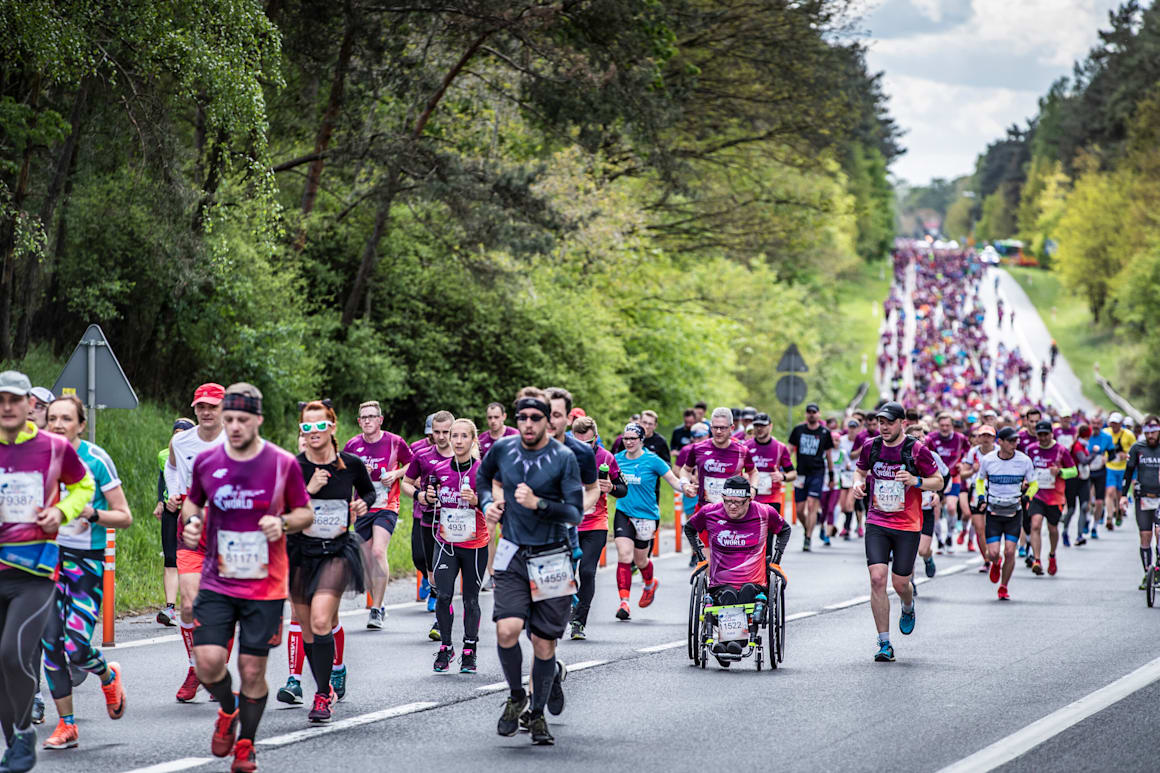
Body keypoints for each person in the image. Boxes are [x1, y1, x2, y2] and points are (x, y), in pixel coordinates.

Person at [181, 383, 313, 772]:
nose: (234, 426)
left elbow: (305, 513)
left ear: (258, 420)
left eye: (242, 419)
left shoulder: (281, 463)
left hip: (264, 585)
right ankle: (227, 708)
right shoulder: (208, 461)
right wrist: (191, 522)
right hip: (218, 580)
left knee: (253, 670)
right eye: (229, 419)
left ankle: (246, 745)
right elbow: (194, 501)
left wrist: (283, 522)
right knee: (207, 663)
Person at [476, 389, 583, 746]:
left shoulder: (563, 457)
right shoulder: (502, 449)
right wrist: (489, 503)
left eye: (536, 418)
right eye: (522, 418)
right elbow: (482, 479)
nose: (528, 424)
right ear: (515, 419)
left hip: (553, 556)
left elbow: (574, 512)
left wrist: (539, 504)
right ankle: (516, 695)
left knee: (543, 643)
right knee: (507, 630)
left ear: (548, 421)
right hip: (512, 554)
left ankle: (537, 715)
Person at [0, 371, 93, 773]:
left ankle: (22, 736)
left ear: (29, 405)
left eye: (15, 400)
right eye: (1, 400)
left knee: (12, 652)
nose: (7, 407)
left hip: (35, 573)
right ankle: (17, 740)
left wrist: (61, 511)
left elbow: (83, 486)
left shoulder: (53, 448)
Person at [40, 396, 132, 750]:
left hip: (85, 562)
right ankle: (67, 724)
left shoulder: (96, 460)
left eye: (66, 418)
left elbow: (124, 516)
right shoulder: (39, 458)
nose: (58, 424)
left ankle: (108, 676)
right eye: (52, 418)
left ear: (81, 424)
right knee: (50, 643)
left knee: (76, 647)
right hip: (46, 560)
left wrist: (92, 515)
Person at [283, 401, 375, 721]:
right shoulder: (292, 467)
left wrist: (363, 504)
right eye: (306, 428)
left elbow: (369, 492)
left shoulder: (350, 464)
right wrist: (308, 490)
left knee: (322, 620)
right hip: (299, 552)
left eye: (319, 426)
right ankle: (326, 686)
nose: (312, 433)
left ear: (332, 428)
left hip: (336, 551)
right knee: (308, 629)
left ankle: (321, 696)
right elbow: (282, 512)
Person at [851, 401, 942, 663]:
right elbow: (860, 470)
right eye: (881, 422)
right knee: (877, 578)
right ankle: (884, 644)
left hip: (907, 525)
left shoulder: (916, 450)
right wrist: (857, 484)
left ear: (902, 423)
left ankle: (908, 605)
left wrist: (916, 481)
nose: (884, 427)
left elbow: (939, 480)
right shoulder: (872, 446)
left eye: (889, 422)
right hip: (877, 521)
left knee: (901, 583)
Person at [166, 382, 229, 703]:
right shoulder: (182, 440)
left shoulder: (235, 439)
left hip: (229, 531)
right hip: (191, 527)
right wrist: (174, 494)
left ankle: (218, 670)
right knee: (189, 605)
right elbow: (172, 467)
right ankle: (195, 668)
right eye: (201, 406)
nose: (206, 412)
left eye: (212, 406)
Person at [683, 475, 791, 654]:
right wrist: (701, 557)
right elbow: (689, 528)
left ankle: (732, 643)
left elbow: (785, 530)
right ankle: (731, 643)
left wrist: (776, 561)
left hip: (754, 584)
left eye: (738, 502)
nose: (732, 506)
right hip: (721, 584)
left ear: (749, 499)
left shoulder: (764, 512)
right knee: (729, 595)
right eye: (728, 501)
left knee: (747, 591)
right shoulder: (710, 512)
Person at [342, 401, 412, 629]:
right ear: (359, 421)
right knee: (367, 559)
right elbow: (342, 474)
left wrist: (395, 474)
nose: (368, 421)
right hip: (362, 506)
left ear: (380, 420)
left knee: (378, 551)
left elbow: (412, 465)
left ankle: (375, 609)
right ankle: (379, 605)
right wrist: (360, 475)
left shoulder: (394, 441)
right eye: (364, 417)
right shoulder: (352, 445)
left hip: (386, 505)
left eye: (372, 416)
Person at [430, 419, 490, 674]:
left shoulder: (482, 471)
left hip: (475, 543)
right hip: (446, 542)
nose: (457, 440)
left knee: (470, 599)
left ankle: (469, 648)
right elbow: (427, 496)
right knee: (443, 596)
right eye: (454, 436)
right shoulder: (440, 468)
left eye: (464, 436)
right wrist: (427, 496)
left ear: (473, 440)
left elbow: (495, 502)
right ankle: (446, 646)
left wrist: (477, 500)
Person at [610, 421, 685, 621]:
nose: (629, 442)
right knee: (624, 555)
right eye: (626, 438)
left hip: (647, 515)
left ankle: (650, 584)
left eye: (633, 439)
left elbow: (673, 480)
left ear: (641, 440)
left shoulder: (653, 461)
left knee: (640, 560)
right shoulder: (616, 460)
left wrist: (687, 487)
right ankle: (624, 603)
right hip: (623, 512)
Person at [567, 416, 624, 640]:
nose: (583, 449)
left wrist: (611, 487)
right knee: (563, 574)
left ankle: (579, 621)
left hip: (595, 524)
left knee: (587, 572)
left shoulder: (606, 457)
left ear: (596, 439)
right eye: (578, 443)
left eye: (588, 444)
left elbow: (622, 489)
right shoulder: (564, 454)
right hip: (568, 524)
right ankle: (569, 605)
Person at [403, 411, 455, 641]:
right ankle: (436, 594)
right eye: (437, 432)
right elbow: (406, 482)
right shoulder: (422, 455)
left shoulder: (464, 454)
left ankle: (441, 620)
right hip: (428, 518)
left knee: (447, 571)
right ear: (431, 432)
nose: (442, 437)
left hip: (457, 521)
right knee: (431, 569)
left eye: (446, 432)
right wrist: (419, 495)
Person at [975, 426, 1038, 600]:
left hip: (1013, 513)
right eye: (1010, 441)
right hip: (994, 512)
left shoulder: (1024, 460)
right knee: (994, 553)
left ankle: (1003, 586)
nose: (1014, 444)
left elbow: (1034, 484)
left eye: (1016, 440)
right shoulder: (988, 460)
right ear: (1000, 442)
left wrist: (1027, 497)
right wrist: (981, 497)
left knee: (1010, 551)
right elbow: (980, 481)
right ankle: (996, 563)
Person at [681, 407, 757, 517]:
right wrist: (685, 484)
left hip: (733, 513)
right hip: (706, 511)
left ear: (731, 428)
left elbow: (753, 472)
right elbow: (685, 469)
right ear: (710, 428)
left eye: (723, 428)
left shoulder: (742, 450)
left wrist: (753, 489)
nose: (718, 431)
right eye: (715, 427)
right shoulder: (698, 448)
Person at [155, 418, 195, 627]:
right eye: (175, 431)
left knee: (193, 558)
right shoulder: (164, 454)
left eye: (183, 432)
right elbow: (163, 478)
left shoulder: (199, 453)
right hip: (171, 510)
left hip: (193, 510)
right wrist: (160, 502)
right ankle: (170, 608)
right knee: (170, 558)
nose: (178, 435)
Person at [1025, 419, 1076, 576]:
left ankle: (1052, 555)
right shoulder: (1031, 449)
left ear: (1051, 434)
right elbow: (1025, 469)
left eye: (1046, 434)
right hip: (1036, 494)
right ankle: (1037, 560)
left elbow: (1074, 471)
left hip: (1055, 496)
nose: (1043, 437)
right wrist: (1026, 481)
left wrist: (1060, 472)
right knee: (1035, 524)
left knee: (1052, 528)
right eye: (1040, 435)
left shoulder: (1061, 450)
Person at [788, 402, 835, 550]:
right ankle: (807, 527)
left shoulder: (824, 433)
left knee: (811, 504)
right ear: (806, 414)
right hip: (800, 473)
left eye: (814, 412)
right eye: (809, 412)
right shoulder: (798, 430)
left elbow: (828, 456)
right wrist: (785, 467)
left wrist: (832, 476)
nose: (811, 414)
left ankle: (808, 538)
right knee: (800, 509)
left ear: (818, 414)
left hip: (817, 473)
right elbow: (789, 450)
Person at [1120, 416, 1160, 590]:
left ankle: (1158, 570)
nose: (1151, 436)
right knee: (1145, 536)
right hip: (1143, 497)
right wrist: (1123, 496)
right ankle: (1147, 574)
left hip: (1159, 498)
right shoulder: (1138, 448)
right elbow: (1128, 472)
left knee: (1159, 532)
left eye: (1154, 432)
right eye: (1148, 433)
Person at [926, 413, 971, 553]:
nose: (945, 428)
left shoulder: (960, 438)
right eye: (942, 426)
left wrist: (963, 463)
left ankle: (950, 536)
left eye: (948, 426)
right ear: (938, 425)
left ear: (952, 426)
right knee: (936, 509)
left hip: (953, 476)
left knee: (951, 507)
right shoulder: (931, 438)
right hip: (936, 477)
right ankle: (939, 540)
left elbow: (968, 451)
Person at [746, 413, 796, 516]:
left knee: (767, 531)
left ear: (770, 426)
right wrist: (744, 476)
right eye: (756, 425)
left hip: (772, 499)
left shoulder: (780, 447)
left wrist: (782, 476)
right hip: (750, 497)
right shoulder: (746, 447)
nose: (759, 428)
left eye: (763, 425)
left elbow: (793, 473)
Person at [1104, 412, 1136, 529]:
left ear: (1121, 424)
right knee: (1110, 492)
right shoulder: (1106, 433)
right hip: (1110, 467)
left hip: (1123, 468)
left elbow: (1135, 452)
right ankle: (1109, 517)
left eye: (1116, 424)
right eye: (1112, 423)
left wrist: (1126, 455)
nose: (1114, 426)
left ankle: (1118, 512)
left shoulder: (1128, 435)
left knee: (1119, 494)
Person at [1063, 424, 1093, 546]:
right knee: (1071, 509)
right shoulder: (1077, 446)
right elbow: (1084, 461)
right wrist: (1095, 454)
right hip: (1073, 480)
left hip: (1084, 480)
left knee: (1084, 506)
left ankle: (1079, 535)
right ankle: (1065, 532)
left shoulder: (1084, 446)